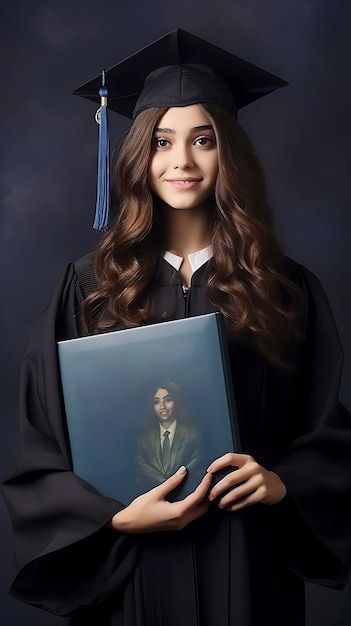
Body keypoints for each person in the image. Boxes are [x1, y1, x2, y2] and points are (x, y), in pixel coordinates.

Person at [2, 28, 351, 626]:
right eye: (162, 142)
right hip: (131, 571)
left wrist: (282, 482)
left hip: (245, 562)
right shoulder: (90, 287)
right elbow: (42, 443)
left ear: (229, 154)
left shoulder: (284, 287)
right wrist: (111, 517)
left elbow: (326, 433)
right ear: (140, 154)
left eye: (203, 140)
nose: (182, 162)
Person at [135, 382, 203, 493]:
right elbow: (141, 466)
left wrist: (174, 482)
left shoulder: (193, 435)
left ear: (176, 401)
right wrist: (166, 483)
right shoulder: (144, 440)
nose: (162, 406)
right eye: (156, 402)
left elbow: (197, 462)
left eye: (168, 400)